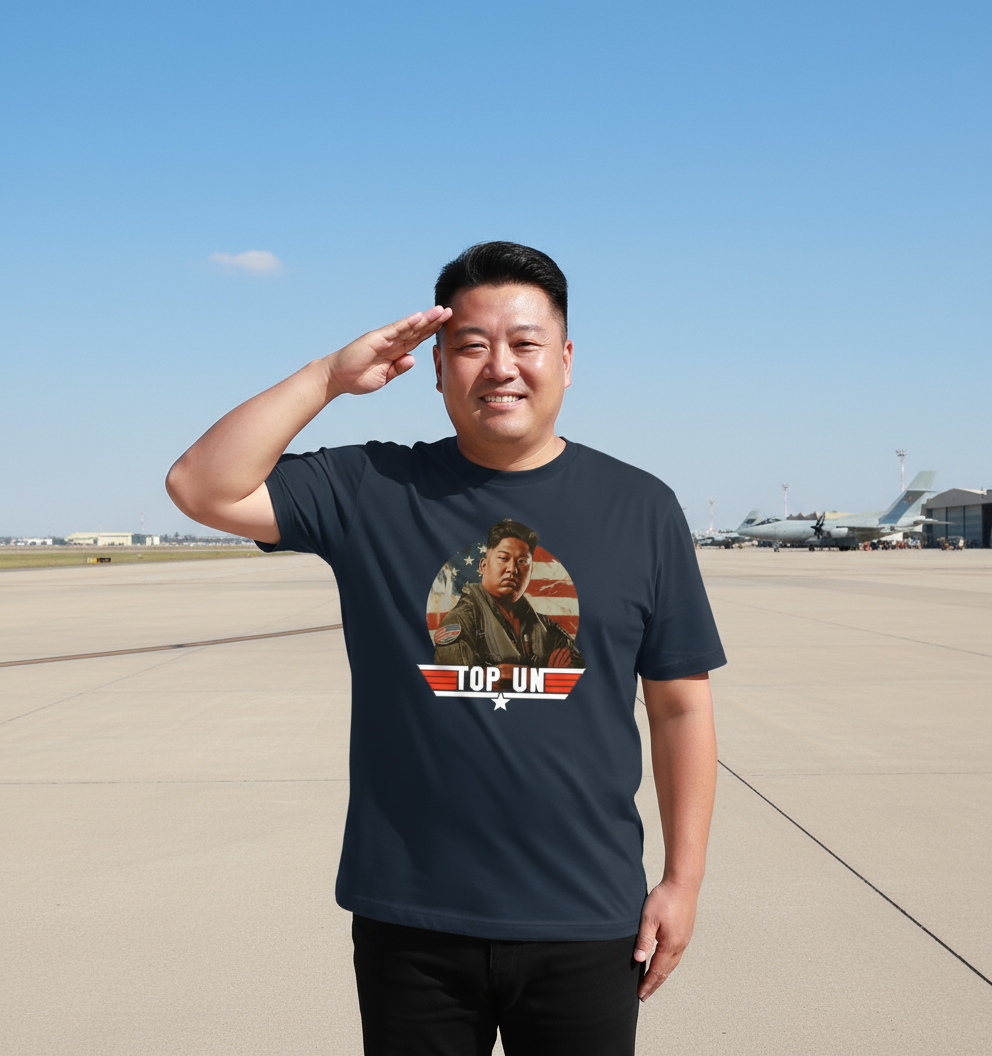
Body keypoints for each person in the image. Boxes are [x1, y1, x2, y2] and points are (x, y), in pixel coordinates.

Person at [166, 241, 725, 1056]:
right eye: (471, 345)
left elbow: (681, 706)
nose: (501, 366)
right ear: (434, 367)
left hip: (587, 916)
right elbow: (200, 486)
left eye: (526, 343)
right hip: (411, 918)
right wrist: (327, 377)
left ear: (566, 361)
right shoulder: (373, 490)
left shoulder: (640, 507)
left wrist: (684, 879)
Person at [432, 516, 585, 673]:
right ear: (483, 566)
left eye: (522, 561)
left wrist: (513, 676)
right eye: (503, 558)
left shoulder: (544, 626)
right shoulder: (462, 620)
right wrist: (545, 674)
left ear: (530, 571)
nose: (512, 569)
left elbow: (577, 674)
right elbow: (453, 682)